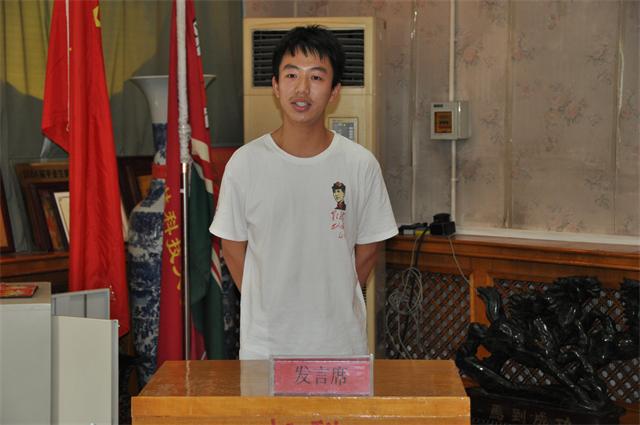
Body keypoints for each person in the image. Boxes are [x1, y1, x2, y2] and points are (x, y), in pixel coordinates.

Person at [210, 25, 397, 360]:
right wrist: (267, 304)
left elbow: (368, 251)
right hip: (266, 347)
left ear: (334, 91)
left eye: (316, 77)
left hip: (340, 345)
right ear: (275, 86)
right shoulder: (245, 163)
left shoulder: (360, 164)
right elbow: (232, 248)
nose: (302, 88)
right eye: (292, 74)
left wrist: (333, 300)